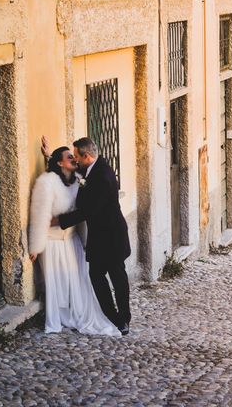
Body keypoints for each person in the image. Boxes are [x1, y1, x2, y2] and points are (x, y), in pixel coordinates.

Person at [28, 146, 120, 336]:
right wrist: (35, 247)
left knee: (76, 282)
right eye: (70, 157)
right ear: (60, 163)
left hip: (72, 241)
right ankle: (59, 317)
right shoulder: (46, 182)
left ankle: (76, 314)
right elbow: (40, 214)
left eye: (75, 156)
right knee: (58, 284)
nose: (74, 159)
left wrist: (50, 155)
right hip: (53, 242)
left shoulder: (77, 179)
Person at [53, 137, 132, 335]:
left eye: (77, 156)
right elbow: (80, 172)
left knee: (115, 278)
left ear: (86, 156)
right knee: (100, 275)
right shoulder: (96, 167)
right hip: (101, 236)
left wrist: (59, 221)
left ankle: (120, 319)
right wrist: (51, 157)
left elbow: (88, 211)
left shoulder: (102, 177)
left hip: (111, 237)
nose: (75, 160)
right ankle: (116, 317)